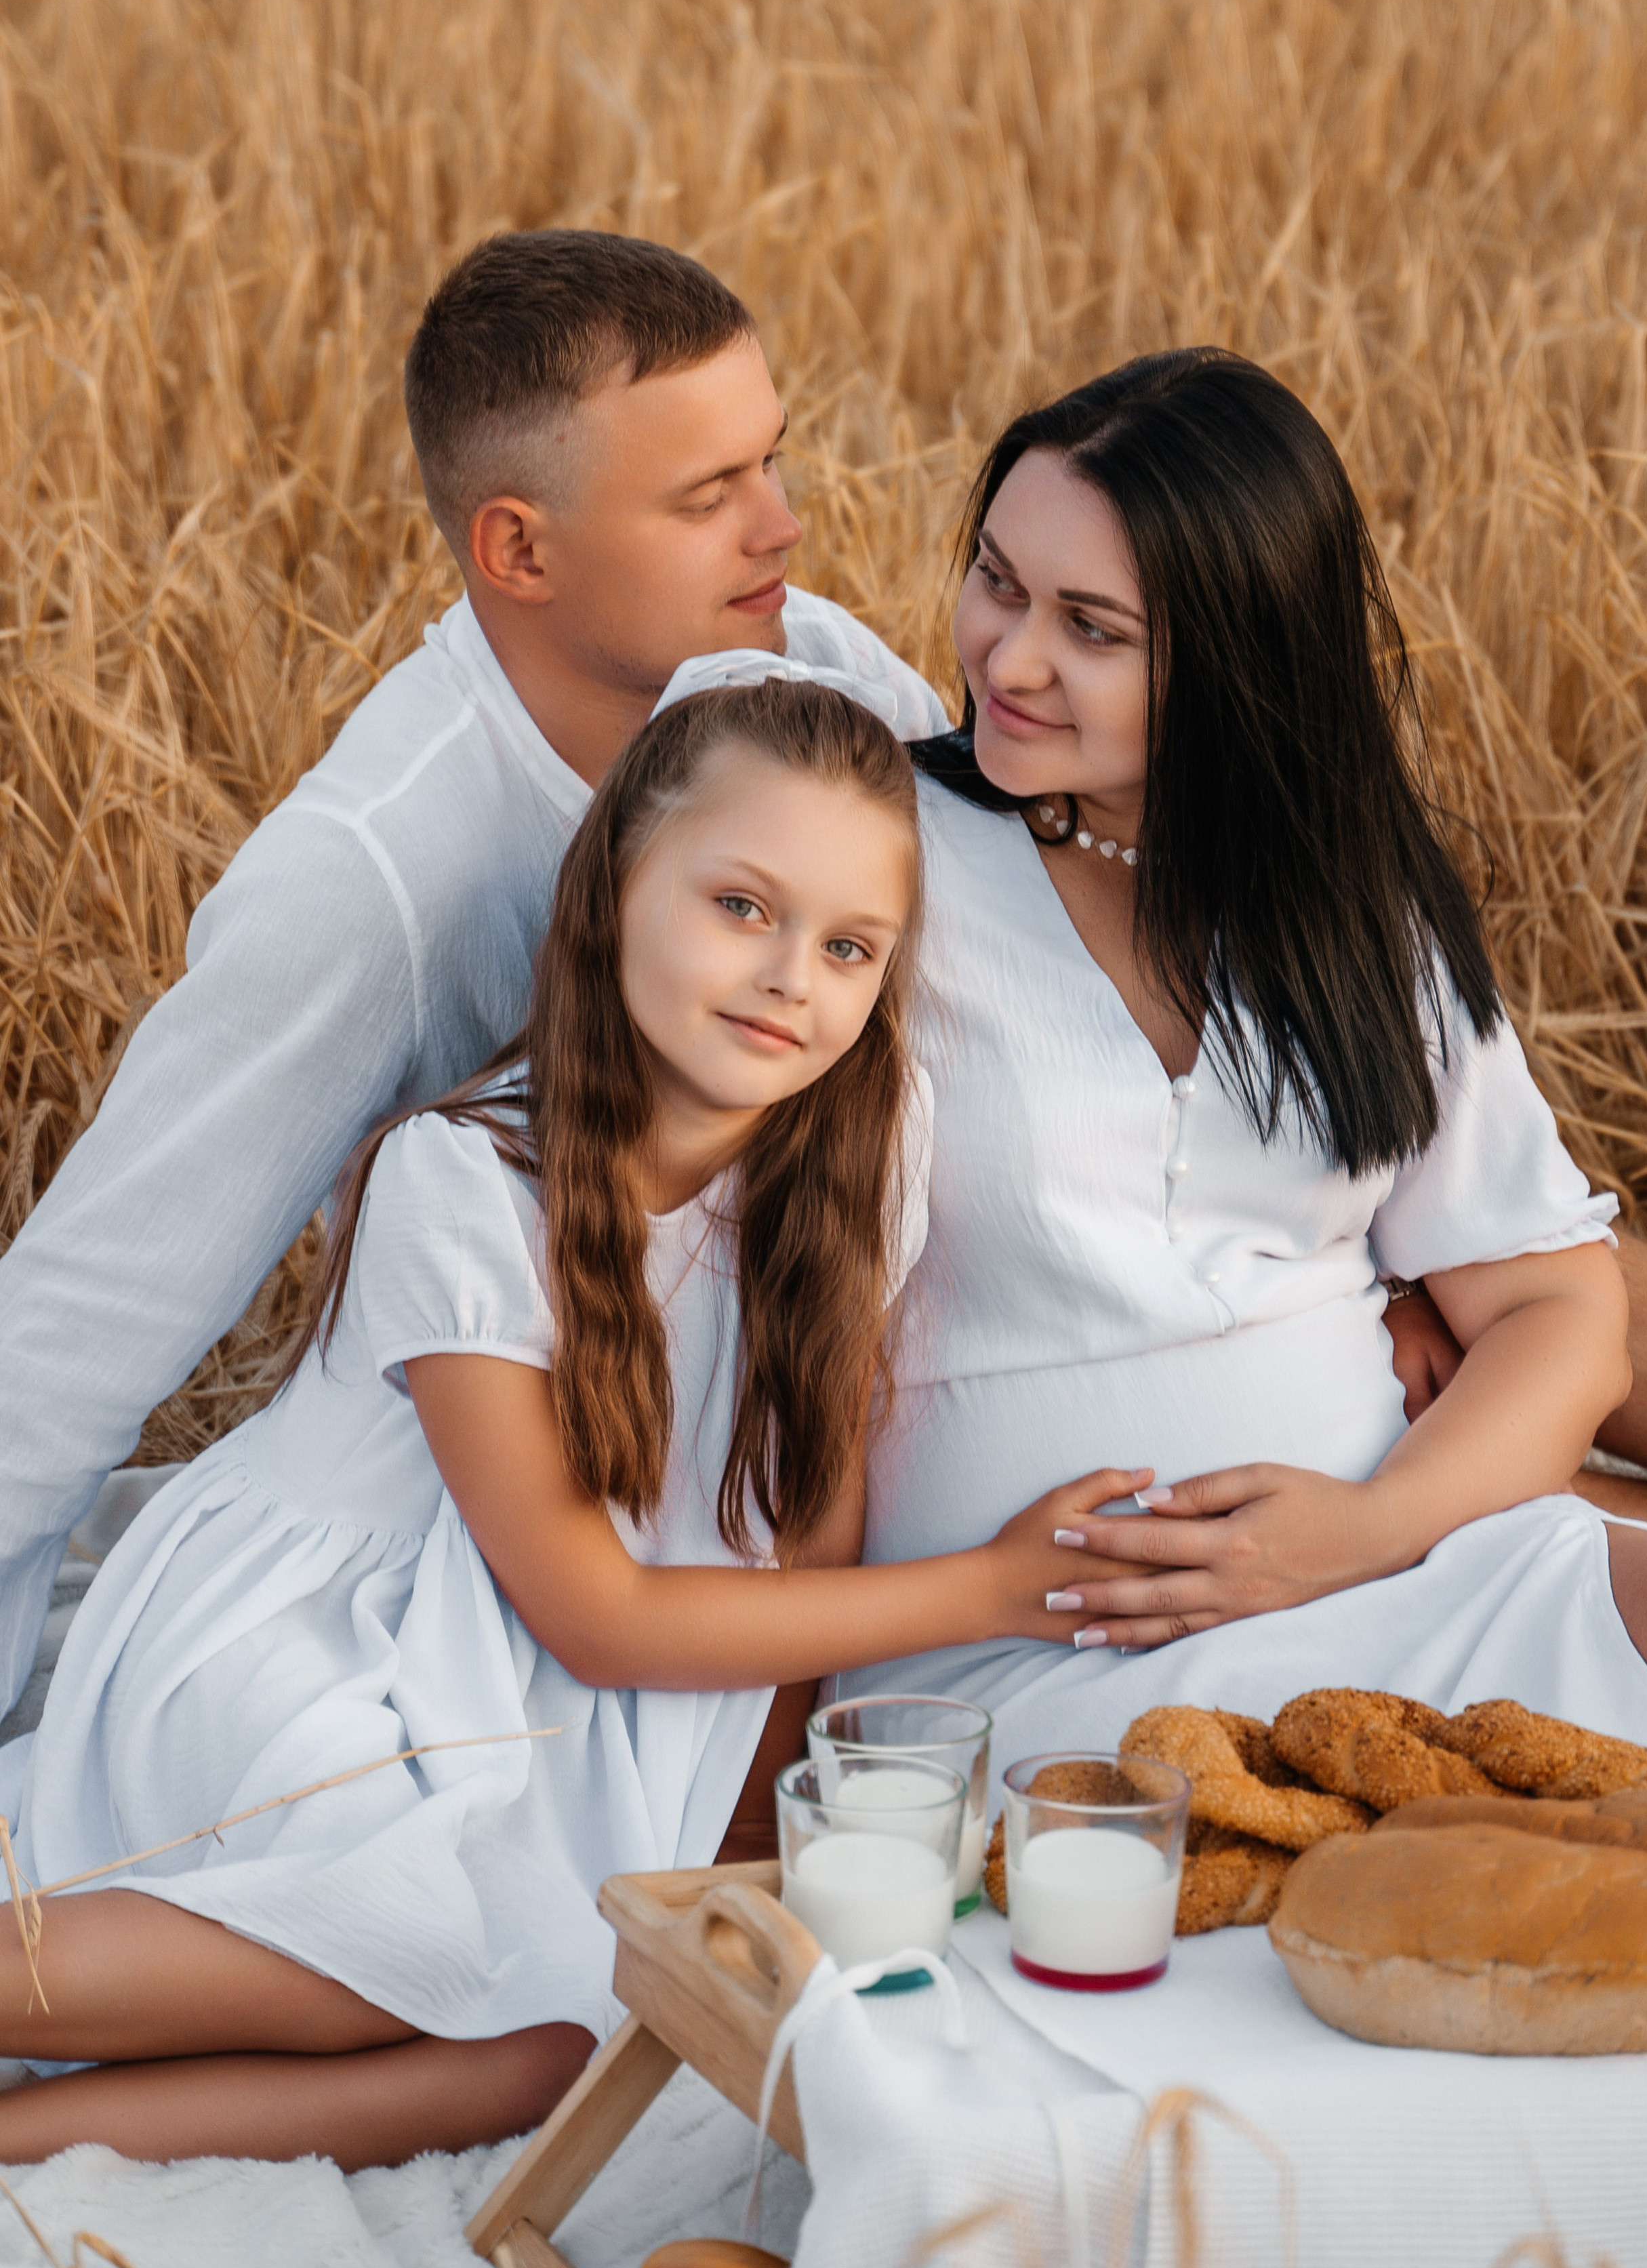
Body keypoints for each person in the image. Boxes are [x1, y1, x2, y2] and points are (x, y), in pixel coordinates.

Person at [0, 674, 1142, 2170]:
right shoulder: (460, 1183)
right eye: (742, 906)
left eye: (847, 946)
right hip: (324, 1643)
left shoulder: (862, 1148)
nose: (792, 975)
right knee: (405, 1931)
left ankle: (30, 2143)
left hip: (512, 1687)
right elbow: (593, 1612)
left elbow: (814, 1524)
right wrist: (994, 1586)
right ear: (612, 893)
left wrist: (759, 1826)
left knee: (557, 2028)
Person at [0, 229, 948, 1725]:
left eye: (770, 459)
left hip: (777, 1441)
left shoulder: (818, 678)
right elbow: (79, 1328)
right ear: (516, 549)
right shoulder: (370, 880)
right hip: (522, 1537)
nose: (781, 524)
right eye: (708, 497)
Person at [845, 348, 1647, 1762]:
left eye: (1090, 626)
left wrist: (1365, 1530)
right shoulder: (870, 854)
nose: (1006, 658)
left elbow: (1556, 1311)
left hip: (1402, 1575)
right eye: (996, 581)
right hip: (1047, 1638)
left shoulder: (1346, 909)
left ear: (1234, 655)